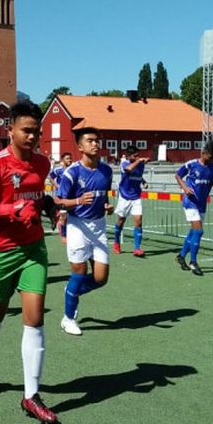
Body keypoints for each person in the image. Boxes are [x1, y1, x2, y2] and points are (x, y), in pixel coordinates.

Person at [0, 100, 59, 424]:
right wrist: (8, 211)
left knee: (35, 320)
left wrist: (51, 209)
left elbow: (40, 197)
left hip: (33, 250)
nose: (34, 137)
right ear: (11, 131)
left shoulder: (43, 164)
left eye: (38, 131)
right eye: (27, 131)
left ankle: (31, 396)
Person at [52, 128, 114, 336]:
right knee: (79, 273)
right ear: (80, 147)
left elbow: (103, 196)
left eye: (97, 140)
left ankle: (71, 291)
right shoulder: (72, 173)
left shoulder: (106, 171)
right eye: (90, 141)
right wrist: (78, 201)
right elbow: (58, 201)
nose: (95, 144)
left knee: (101, 279)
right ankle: (68, 318)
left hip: (99, 227)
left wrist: (107, 206)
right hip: (77, 226)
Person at [174, 143, 213, 276]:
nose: (210, 160)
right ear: (203, 153)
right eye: (209, 157)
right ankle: (193, 262)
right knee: (198, 230)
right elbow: (178, 175)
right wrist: (185, 188)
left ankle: (181, 256)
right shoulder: (191, 164)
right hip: (190, 202)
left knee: (193, 233)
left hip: (202, 203)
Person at [113, 145, 149, 256]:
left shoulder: (140, 164)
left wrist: (143, 181)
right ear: (129, 156)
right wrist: (139, 161)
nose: (138, 157)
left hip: (136, 197)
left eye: (138, 155)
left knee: (138, 222)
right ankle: (116, 242)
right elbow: (129, 170)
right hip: (124, 197)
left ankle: (137, 248)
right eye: (135, 156)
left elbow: (138, 173)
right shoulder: (124, 163)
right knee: (120, 221)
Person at [48, 153, 73, 244]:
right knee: (64, 216)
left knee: (71, 216)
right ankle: (64, 235)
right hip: (61, 196)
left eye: (70, 158)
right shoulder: (58, 170)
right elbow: (50, 177)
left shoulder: (73, 170)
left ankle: (62, 225)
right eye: (67, 159)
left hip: (71, 197)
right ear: (62, 161)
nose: (69, 160)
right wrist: (56, 185)